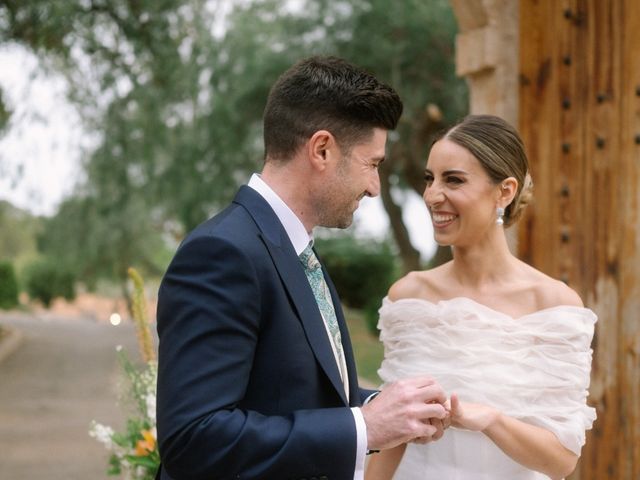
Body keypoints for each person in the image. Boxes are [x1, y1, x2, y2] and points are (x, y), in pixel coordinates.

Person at [155, 56, 449, 480]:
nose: (374, 187)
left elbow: (293, 395)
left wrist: (385, 412)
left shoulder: (293, 250)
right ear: (322, 149)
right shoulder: (223, 252)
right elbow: (194, 439)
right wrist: (364, 428)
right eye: (373, 164)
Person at [365, 114, 597, 480]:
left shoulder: (554, 306)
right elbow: (394, 437)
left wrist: (490, 419)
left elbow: (561, 460)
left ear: (504, 191)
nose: (432, 195)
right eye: (430, 179)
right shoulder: (409, 298)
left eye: (453, 179)